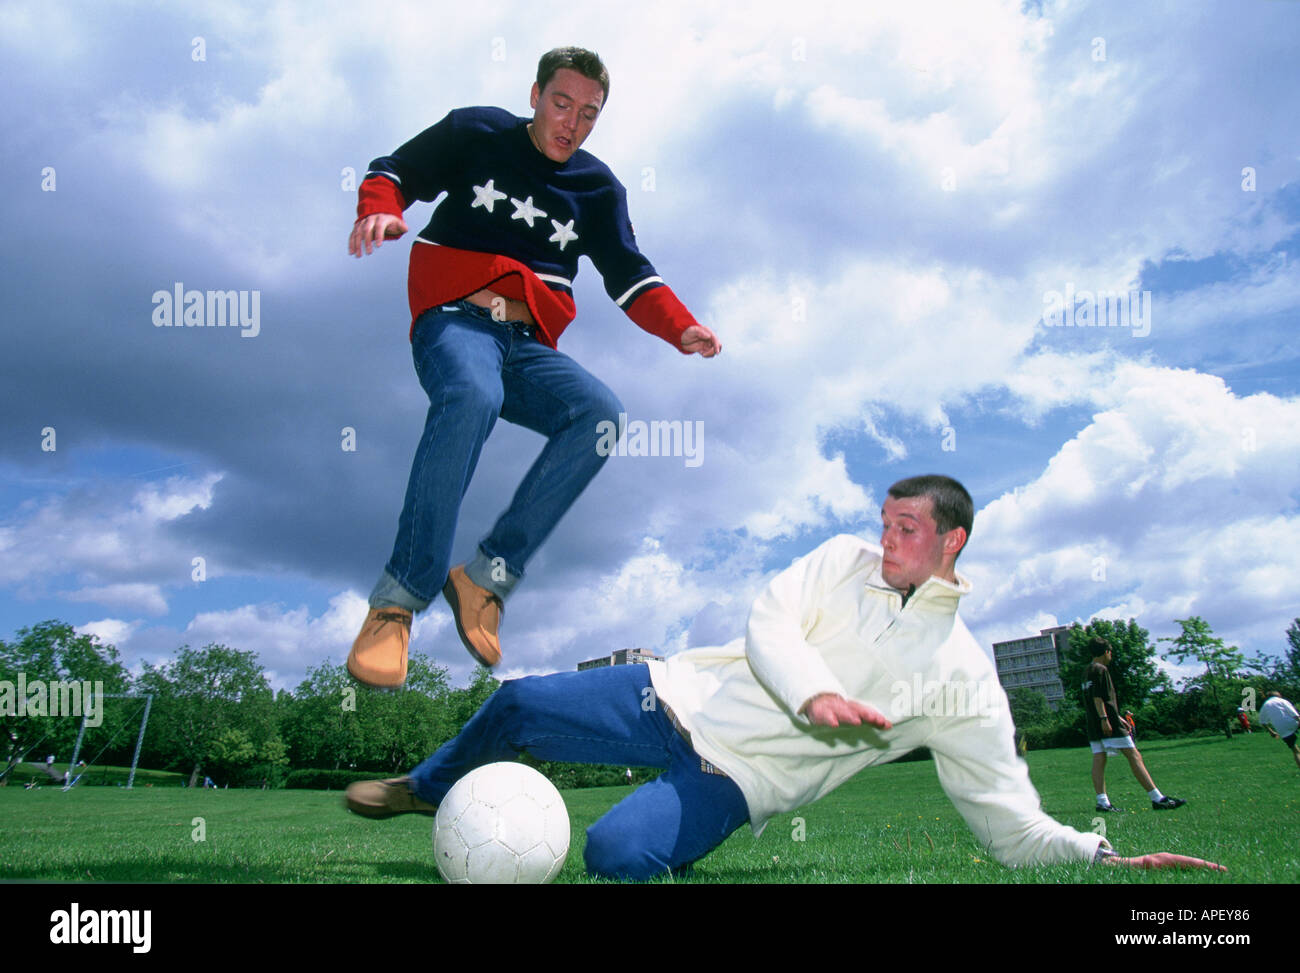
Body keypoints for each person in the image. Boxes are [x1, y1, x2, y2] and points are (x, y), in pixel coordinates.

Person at [346, 475, 1223, 880]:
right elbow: (768, 620)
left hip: (740, 775)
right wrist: (810, 691)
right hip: (677, 694)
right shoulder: (844, 560)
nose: (885, 539)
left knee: (616, 853)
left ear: (952, 544)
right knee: (519, 701)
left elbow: (1005, 817)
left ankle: (674, 840)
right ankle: (424, 788)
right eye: (885, 521)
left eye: (907, 528)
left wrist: (1100, 851)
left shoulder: (960, 680)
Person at [346, 47, 721, 688]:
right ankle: (396, 603)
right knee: (471, 395)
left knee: (600, 414)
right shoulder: (477, 132)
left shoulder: (597, 189)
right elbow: (397, 170)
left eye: (588, 114)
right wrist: (379, 208)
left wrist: (678, 323)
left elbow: (629, 272)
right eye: (561, 104)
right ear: (535, 96)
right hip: (455, 323)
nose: (570, 123)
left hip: (528, 346)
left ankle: (486, 581)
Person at [1082, 637, 1185, 813]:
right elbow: (1098, 697)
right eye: (1110, 652)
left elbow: (1094, 699)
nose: (1111, 656)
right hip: (1105, 722)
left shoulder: (1087, 671)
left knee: (1099, 758)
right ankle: (1157, 799)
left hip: (1093, 722)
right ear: (1106, 652)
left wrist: (1117, 717)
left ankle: (1102, 802)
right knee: (1134, 755)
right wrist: (1105, 719)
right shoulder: (1101, 669)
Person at [1257, 692, 1300, 769]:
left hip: (1281, 728)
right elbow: (1294, 714)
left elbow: (1262, 722)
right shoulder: (1282, 701)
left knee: (1295, 750)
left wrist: (1271, 732)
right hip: (1292, 722)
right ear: (1277, 695)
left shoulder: (1265, 705)